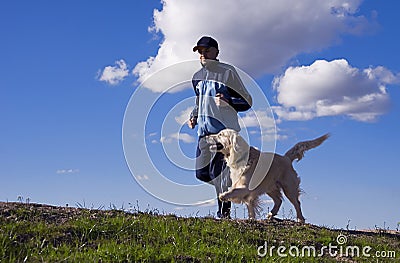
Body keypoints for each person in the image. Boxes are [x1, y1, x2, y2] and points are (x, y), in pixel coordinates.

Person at [188, 36, 252, 218]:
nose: (203, 54)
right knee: (201, 174)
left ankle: (224, 214)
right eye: (200, 52)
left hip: (224, 134)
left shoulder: (228, 73)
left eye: (207, 50)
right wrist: (193, 116)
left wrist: (229, 101)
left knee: (218, 174)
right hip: (204, 134)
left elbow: (247, 101)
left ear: (216, 52)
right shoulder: (196, 78)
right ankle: (232, 185)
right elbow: (199, 102)